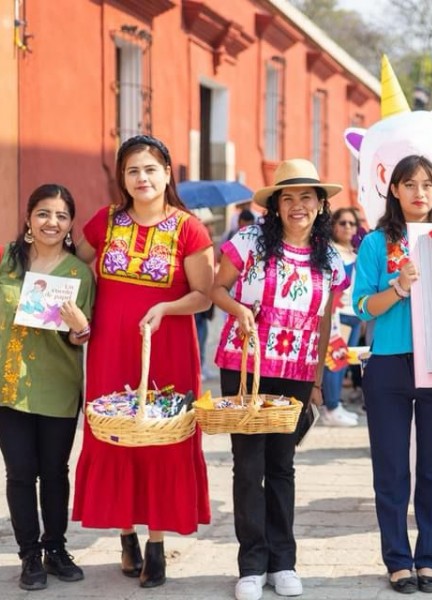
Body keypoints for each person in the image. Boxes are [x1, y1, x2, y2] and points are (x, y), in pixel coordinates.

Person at [72, 135, 214, 588]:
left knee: (161, 438)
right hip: (112, 349)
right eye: (132, 170)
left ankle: (156, 542)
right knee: (115, 433)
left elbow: (203, 296)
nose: (142, 178)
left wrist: (166, 308)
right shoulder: (105, 222)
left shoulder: (190, 228)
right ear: (122, 178)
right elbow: (72, 270)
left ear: (168, 173)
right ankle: (126, 534)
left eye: (151, 168)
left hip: (167, 347)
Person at [210, 158, 347, 600]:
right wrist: (240, 311)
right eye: (288, 197)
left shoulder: (330, 258)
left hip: (295, 370)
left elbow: (326, 318)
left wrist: (315, 377)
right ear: (276, 205)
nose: (297, 205)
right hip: (244, 367)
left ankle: (283, 562)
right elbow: (216, 289)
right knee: (248, 466)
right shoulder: (249, 241)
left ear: (321, 204)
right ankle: (251, 564)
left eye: (307, 197)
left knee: (281, 466)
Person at [353, 155, 432, 594]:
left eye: (428, 184)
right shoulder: (375, 244)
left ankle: (430, 560)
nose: (420, 192)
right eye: (410, 183)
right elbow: (361, 306)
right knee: (392, 468)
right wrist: (398, 287)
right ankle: (398, 560)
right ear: (394, 190)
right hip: (388, 365)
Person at [0, 184, 95, 591]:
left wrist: (79, 328)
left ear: (71, 224)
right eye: (43, 213)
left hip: (57, 386)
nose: (51, 222)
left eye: (60, 216)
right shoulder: (8, 262)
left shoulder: (79, 274)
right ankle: (29, 556)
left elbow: (83, 335)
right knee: (20, 473)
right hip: (9, 386)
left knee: (55, 472)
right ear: (28, 219)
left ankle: (55, 549)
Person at [320, 207, 362, 427]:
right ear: (334, 225)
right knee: (334, 363)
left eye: (351, 223)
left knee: (343, 363)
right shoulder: (330, 252)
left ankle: (335, 404)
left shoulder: (355, 253)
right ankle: (331, 407)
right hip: (337, 317)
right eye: (342, 223)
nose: (347, 227)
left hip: (354, 315)